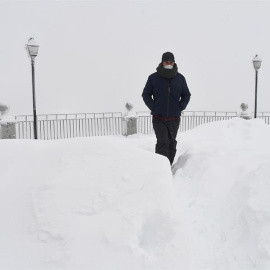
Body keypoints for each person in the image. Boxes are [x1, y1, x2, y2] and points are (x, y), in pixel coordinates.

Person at [142, 52, 191, 165]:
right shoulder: (153, 78)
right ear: (162, 63)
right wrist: (153, 107)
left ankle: (169, 166)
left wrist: (180, 107)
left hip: (174, 118)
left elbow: (186, 95)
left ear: (174, 63)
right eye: (166, 62)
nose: (169, 64)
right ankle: (161, 167)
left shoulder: (180, 78)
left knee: (171, 143)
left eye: (171, 62)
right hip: (159, 117)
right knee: (162, 142)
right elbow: (146, 94)